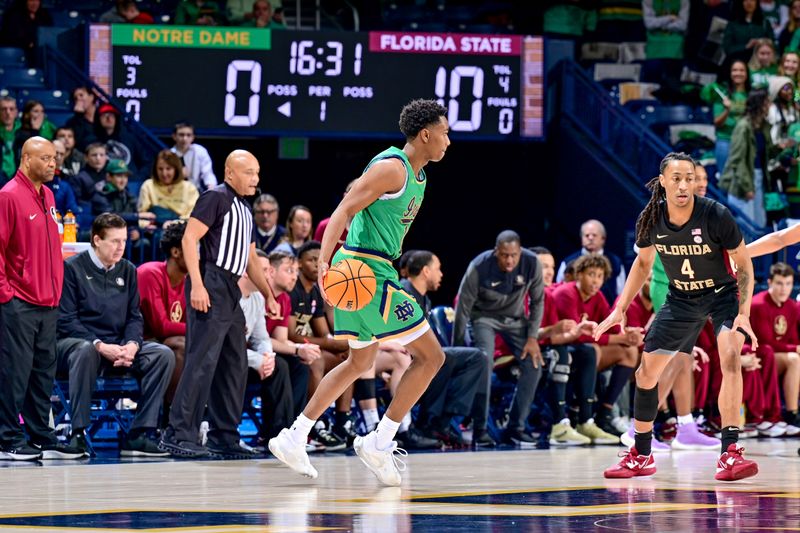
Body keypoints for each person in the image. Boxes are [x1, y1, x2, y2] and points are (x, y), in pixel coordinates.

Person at [269, 99, 449, 486]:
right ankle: (380, 441)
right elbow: (344, 210)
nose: (448, 140)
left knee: (357, 363)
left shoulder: (419, 176)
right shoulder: (391, 168)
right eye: (445, 132)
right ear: (425, 134)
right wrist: (324, 266)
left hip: (372, 270)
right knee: (432, 357)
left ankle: (295, 435)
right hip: (365, 272)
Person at [597, 152, 759, 482]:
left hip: (722, 297)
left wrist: (744, 313)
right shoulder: (652, 218)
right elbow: (642, 264)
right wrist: (620, 308)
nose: (684, 184)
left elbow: (743, 263)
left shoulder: (715, 214)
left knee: (729, 358)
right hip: (681, 299)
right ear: (663, 183)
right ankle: (641, 454)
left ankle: (729, 454)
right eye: (677, 178)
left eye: (690, 178)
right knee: (646, 374)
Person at [160, 149, 280, 459]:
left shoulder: (245, 209)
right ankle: (178, 433)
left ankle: (223, 435)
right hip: (210, 279)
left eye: (257, 172)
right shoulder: (215, 197)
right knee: (201, 361)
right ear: (230, 173)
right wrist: (197, 284)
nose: (256, 178)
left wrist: (269, 295)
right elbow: (189, 239)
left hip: (230, 287)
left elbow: (251, 258)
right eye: (249, 172)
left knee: (234, 363)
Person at [57, 213, 174, 457]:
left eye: (123, 241)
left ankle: (139, 434)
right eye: (114, 241)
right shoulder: (71, 268)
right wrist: (100, 345)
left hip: (119, 348)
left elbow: (134, 316)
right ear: (97, 240)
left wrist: (131, 344)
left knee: (163, 355)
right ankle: (77, 434)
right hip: (80, 345)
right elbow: (66, 320)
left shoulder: (128, 270)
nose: (121, 247)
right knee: (85, 350)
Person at [0, 137, 84, 461]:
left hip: (49, 302)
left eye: (55, 158)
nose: (53, 164)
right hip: (19, 301)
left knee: (42, 374)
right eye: (47, 158)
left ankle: (41, 436)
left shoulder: (49, 195)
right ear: (26, 159)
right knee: (14, 372)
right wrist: (7, 295)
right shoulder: (8, 196)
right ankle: (7, 438)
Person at [454, 230, 545, 447]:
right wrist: (457, 349)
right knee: (484, 363)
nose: (510, 260)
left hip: (515, 319)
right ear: (496, 252)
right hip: (483, 318)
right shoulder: (479, 266)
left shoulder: (532, 263)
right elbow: (462, 308)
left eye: (514, 255)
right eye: (504, 255)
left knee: (534, 365)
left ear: (520, 251)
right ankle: (480, 429)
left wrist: (532, 337)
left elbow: (537, 301)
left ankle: (516, 428)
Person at [401, 250, 484, 447]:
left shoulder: (424, 299)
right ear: (426, 271)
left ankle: (440, 422)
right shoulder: (403, 293)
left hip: (421, 355)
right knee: (449, 358)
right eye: (438, 269)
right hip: (403, 354)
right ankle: (429, 422)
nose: (441, 275)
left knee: (475, 358)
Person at [239, 249, 293, 445]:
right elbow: (226, 348)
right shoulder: (230, 297)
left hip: (247, 359)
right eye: (263, 270)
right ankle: (223, 431)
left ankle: (278, 436)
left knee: (280, 366)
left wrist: (267, 357)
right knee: (234, 364)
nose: (267, 275)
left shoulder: (258, 297)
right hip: (226, 360)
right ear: (246, 271)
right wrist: (258, 360)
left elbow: (261, 337)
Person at [137, 221, 189, 403]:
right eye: (194, 248)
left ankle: (199, 416)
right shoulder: (149, 273)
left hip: (165, 343)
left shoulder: (191, 282)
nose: (200, 255)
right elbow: (161, 327)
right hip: (137, 344)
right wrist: (203, 328)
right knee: (180, 344)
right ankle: (171, 419)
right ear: (176, 252)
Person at [749, 262, 800, 436]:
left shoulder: (792, 306)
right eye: (779, 283)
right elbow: (766, 341)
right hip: (760, 356)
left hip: (780, 355)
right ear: (770, 283)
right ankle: (792, 415)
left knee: (795, 358)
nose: (783, 289)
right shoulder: (758, 304)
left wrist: (795, 347)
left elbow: (792, 337)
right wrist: (796, 348)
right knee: (794, 359)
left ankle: (793, 414)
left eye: (788, 284)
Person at [556, 219, 626, 304]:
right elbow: (560, 287)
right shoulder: (568, 262)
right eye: (587, 235)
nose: (590, 238)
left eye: (594, 235)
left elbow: (621, 293)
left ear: (603, 239)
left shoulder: (616, 263)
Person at [137, 149, 200, 227]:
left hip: (182, 230)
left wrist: (173, 224)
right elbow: (141, 215)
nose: (164, 173)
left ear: (176, 169)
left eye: (168, 169)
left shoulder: (190, 188)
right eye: (160, 169)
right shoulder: (148, 185)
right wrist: (147, 225)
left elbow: (194, 216)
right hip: (156, 229)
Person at [170, 122, 217, 192]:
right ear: (174, 136)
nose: (184, 138)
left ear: (193, 137)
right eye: (181, 135)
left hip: (196, 191)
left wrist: (211, 188)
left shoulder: (200, 151)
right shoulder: (170, 154)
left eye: (188, 135)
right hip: (175, 191)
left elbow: (208, 173)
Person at [0, 97, 20, 184]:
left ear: (16, 112)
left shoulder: (23, 132)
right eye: (4, 109)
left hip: (18, 177)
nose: (8, 113)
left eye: (11, 109)